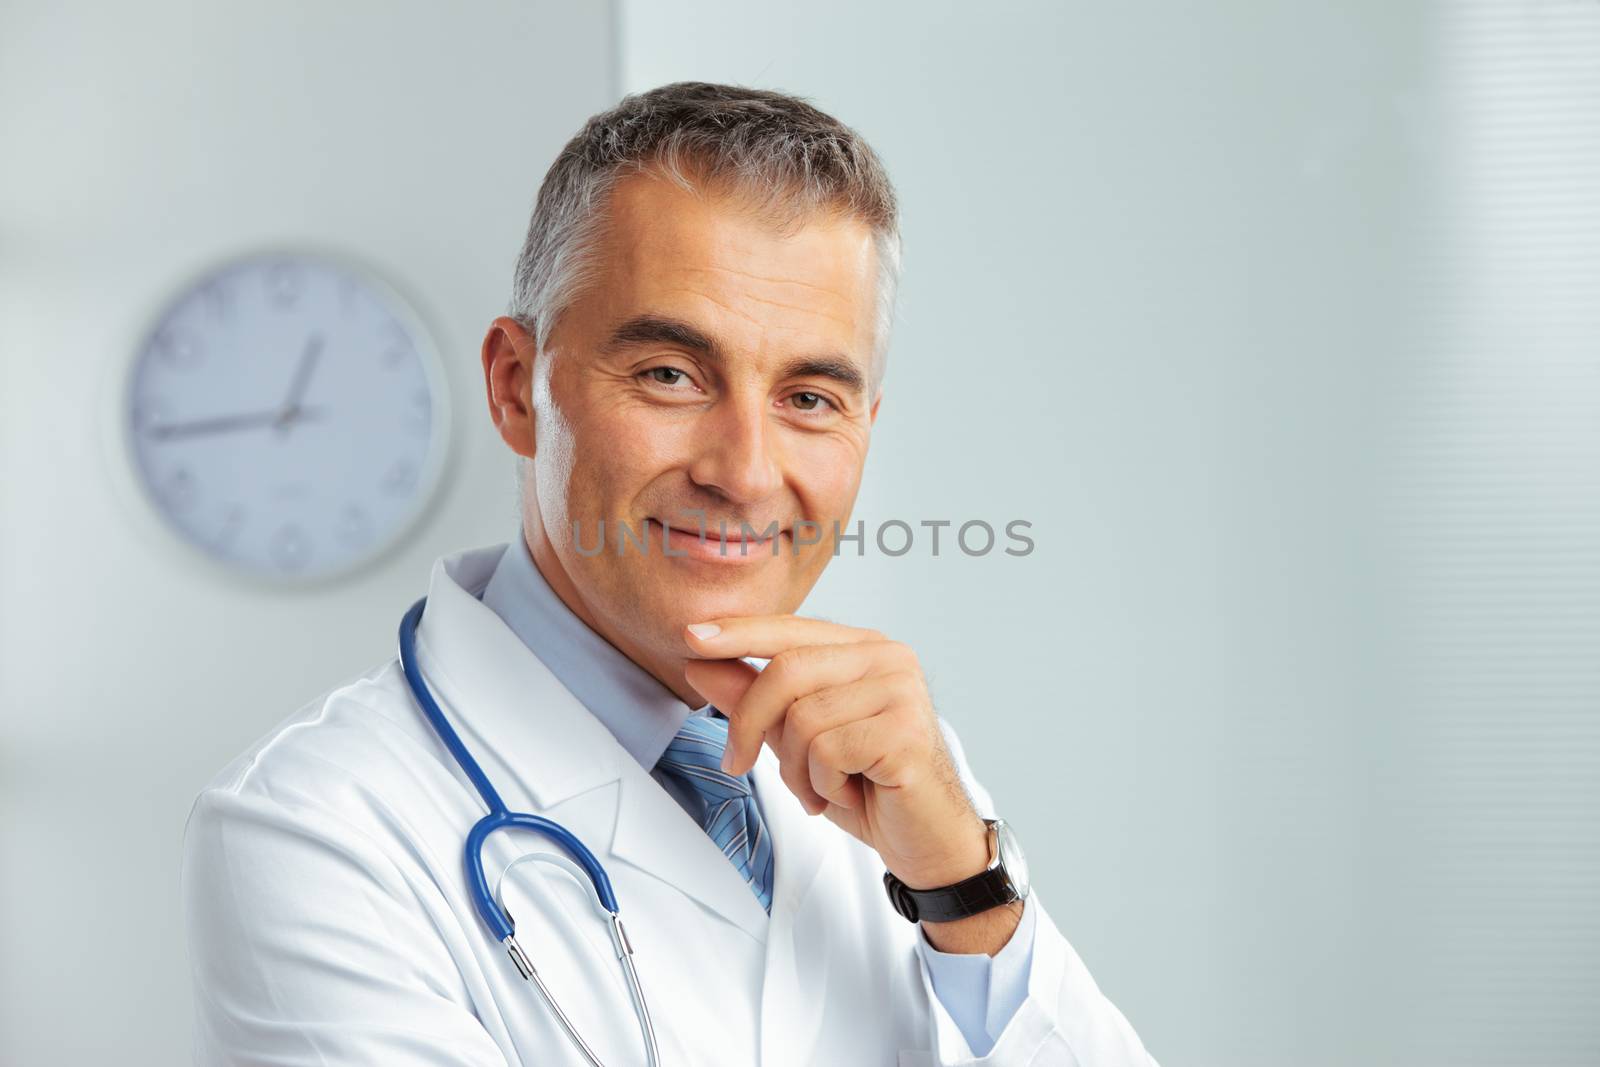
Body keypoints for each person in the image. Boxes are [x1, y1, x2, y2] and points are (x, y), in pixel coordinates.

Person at [181, 81, 1158, 1066]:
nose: (742, 471)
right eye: (669, 375)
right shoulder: (315, 825)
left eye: (810, 396)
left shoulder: (900, 765)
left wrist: (963, 888)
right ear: (517, 386)